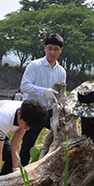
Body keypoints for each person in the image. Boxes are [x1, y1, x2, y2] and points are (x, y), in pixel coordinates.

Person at [19, 33, 66, 166]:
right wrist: (44, 91)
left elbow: (61, 92)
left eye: (56, 49)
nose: (52, 52)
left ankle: (51, 166)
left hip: (50, 110)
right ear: (45, 48)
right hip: (33, 110)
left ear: (61, 50)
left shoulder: (61, 71)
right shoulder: (35, 65)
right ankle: (21, 171)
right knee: (28, 144)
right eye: (50, 48)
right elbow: (24, 86)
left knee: (61, 135)